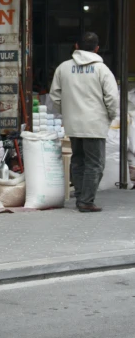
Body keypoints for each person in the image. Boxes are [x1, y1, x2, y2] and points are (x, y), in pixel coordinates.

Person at [50, 32, 118, 213]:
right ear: (96, 48)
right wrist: (109, 116)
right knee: (95, 164)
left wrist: (67, 113)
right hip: (95, 124)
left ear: (76, 46)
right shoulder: (102, 70)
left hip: (73, 124)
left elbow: (55, 96)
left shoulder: (63, 68)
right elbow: (112, 98)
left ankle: (81, 197)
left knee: (78, 160)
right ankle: (86, 201)